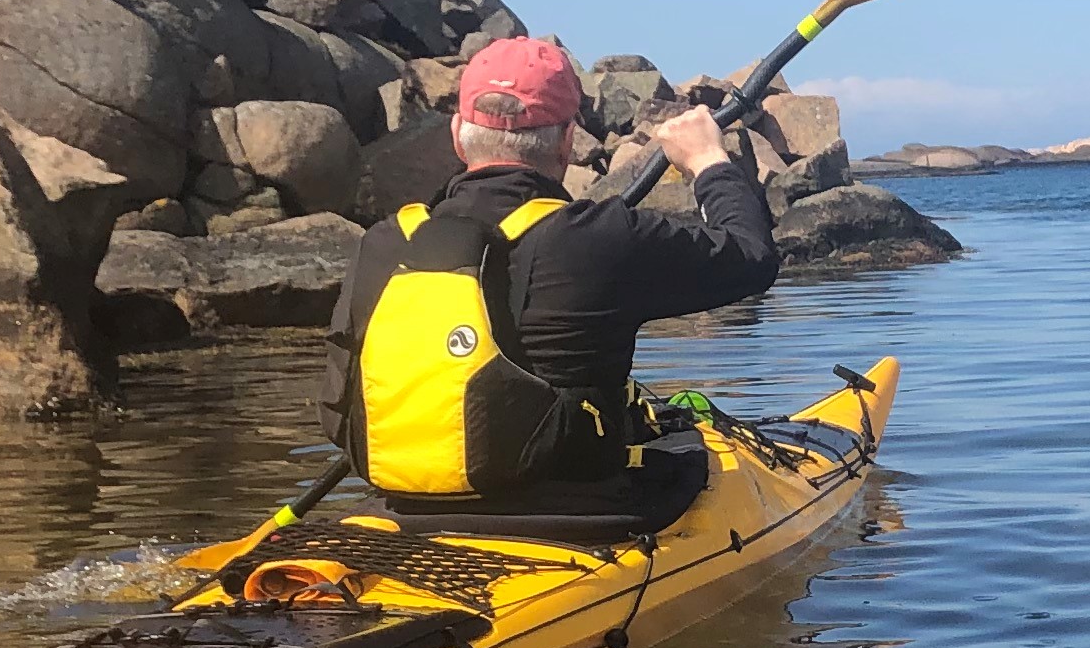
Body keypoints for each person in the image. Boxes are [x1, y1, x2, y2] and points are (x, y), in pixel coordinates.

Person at [331, 34, 782, 522]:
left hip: (402, 510)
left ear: (458, 135)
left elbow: (336, 407)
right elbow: (752, 256)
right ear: (567, 142)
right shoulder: (598, 237)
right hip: (575, 519)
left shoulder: (383, 243)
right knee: (683, 450)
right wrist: (707, 160)